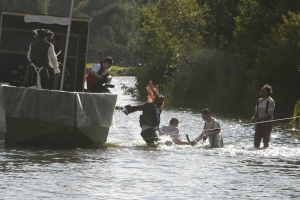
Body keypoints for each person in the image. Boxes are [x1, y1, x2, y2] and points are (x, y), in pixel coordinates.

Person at [123, 81, 165, 147]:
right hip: (147, 133)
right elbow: (137, 107)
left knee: (160, 144)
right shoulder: (148, 105)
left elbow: (156, 121)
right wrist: (127, 109)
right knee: (154, 147)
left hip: (152, 132)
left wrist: (158, 130)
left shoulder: (158, 109)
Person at [250, 84, 275, 148]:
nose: (260, 91)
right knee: (256, 142)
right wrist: (253, 118)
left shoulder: (270, 101)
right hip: (259, 124)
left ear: (266, 92)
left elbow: (270, 115)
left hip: (267, 124)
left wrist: (259, 119)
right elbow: (256, 112)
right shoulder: (259, 101)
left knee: (265, 142)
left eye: (262, 90)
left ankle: (265, 155)